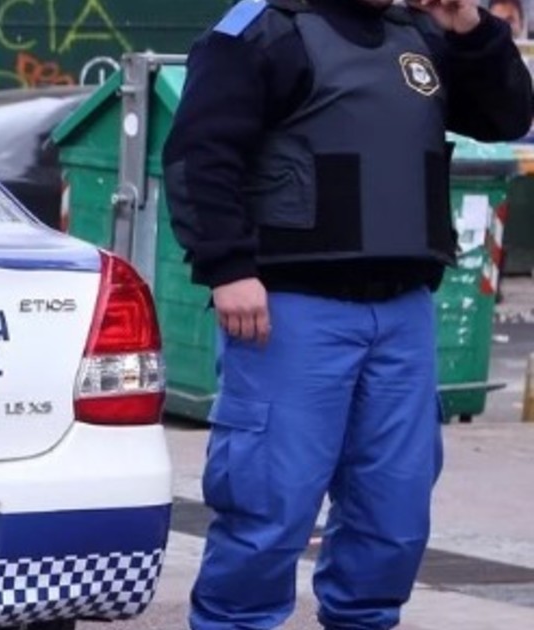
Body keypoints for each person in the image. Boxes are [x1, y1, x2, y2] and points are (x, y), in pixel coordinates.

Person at [163, 1, 534, 629]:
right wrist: (227, 268)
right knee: (269, 501)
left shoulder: (419, 32)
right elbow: (200, 155)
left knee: (394, 506)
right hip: (290, 310)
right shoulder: (266, 30)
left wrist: (472, 30)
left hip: (403, 311)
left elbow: (506, 117)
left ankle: (364, 619)